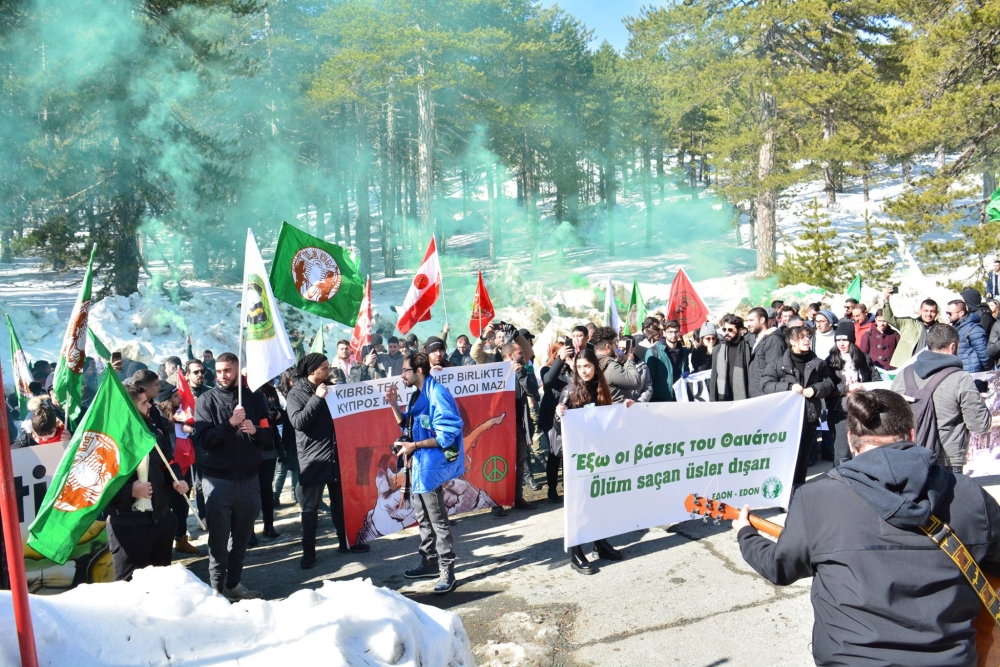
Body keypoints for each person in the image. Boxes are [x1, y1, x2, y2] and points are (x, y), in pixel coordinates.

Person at [735, 388, 1000, 667]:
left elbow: (782, 568)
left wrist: (746, 535)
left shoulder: (816, 499)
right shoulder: (970, 496)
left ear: (851, 441)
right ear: (912, 434)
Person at [384, 352, 465, 594]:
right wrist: (392, 405)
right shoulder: (418, 394)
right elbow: (408, 425)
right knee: (424, 519)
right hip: (417, 467)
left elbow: (446, 436)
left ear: (419, 371)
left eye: (405, 370)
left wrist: (415, 446)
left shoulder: (437, 394)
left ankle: (447, 569)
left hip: (429, 468)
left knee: (437, 520)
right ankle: (429, 561)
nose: (402, 375)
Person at [192, 352, 271, 601]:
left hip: (249, 479)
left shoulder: (254, 399)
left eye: (227, 370)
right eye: (218, 371)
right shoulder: (205, 401)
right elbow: (204, 441)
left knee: (242, 538)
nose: (222, 375)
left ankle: (233, 584)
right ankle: (216, 589)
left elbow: (269, 438)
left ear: (237, 370)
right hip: (218, 480)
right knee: (218, 539)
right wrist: (231, 423)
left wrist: (255, 430)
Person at [286, 353, 370, 570]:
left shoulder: (328, 387)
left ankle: (346, 542)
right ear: (312, 371)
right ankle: (309, 553)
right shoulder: (296, 393)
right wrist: (317, 398)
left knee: (340, 503)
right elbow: (298, 422)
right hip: (312, 460)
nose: (328, 369)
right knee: (310, 508)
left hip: (335, 455)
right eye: (324, 367)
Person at [105, 383, 186, 582]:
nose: (149, 406)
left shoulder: (152, 431)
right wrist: (128, 490)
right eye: (143, 403)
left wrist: (177, 480)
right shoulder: (108, 440)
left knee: (159, 584)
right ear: (129, 408)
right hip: (128, 525)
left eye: (147, 401)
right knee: (130, 588)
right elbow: (98, 483)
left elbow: (168, 462)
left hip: (161, 519)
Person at [554, 347, 623, 575]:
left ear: (595, 367)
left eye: (588, 366)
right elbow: (557, 429)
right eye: (580, 367)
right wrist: (559, 414)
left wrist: (626, 410)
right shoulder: (570, 391)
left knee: (599, 501)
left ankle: (600, 543)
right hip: (578, 458)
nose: (584, 371)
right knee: (578, 505)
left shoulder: (602, 388)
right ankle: (575, 552)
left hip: (599, 456)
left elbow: (610, 420)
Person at [890, 324, 991, 473]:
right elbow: (980, 425)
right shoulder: (961, 378)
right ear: (952, 347)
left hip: (909, 456)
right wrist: (981, 400)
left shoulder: (903, 375)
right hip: (948, 458)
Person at [760, 325, 835, 486]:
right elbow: (765, 384)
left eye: (808, 337)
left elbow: (829, 384)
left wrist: (816, 389)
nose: (807, 340)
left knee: (802, 459)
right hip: (786, 420)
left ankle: (798, 493)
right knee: (785, 459)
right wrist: (789, 387)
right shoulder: (778, 364)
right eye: (802, 338)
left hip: (809, 418)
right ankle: (783, 494)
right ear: (792, 341)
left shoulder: (817, 362)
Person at [155, 382, 199, 556]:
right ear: (166, 400)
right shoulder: (160, 419)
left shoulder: (182, 416)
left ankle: (181, 539)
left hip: (184, 468)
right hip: (166, 469)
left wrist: (191, 429)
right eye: (174, 396)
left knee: (182, 505)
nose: (179, 398)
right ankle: (164, 544)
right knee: (167, 507)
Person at [824, 321, 878, 467]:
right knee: (843, 454)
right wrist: (848, 388)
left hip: (863, 410)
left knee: (865, 451)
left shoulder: (864, 359)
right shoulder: (830, 361)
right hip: (839, 412)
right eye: (838, 340)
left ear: (852, 341)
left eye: (844, 340)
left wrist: (864, 389)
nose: (841, 344)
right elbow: (828, 387)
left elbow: (875, 381)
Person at [501, 340, 540, 511]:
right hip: (500, 428)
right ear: (510, 356)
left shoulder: (524, 372)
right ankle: (497, 502)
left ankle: (517, 497)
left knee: (519, 461)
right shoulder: (494, 372)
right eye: (520, 354)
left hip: (519, 425)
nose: (523, 356)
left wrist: (521, 374)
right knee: (500, 463)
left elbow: (533, 393)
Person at [540, 340, 573, 503]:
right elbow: (549, 380)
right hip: (551, 419)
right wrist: (559, 360)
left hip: (569, 417)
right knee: (555, 454)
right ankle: (552, 490)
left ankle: (569, 488)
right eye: (561, 352)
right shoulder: (547, 368)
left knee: (569, 454)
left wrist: (571, 364)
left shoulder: (572, 369)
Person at [882, 286, 939, 368]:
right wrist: (886, 299)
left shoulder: (939, 329)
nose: (929, 314)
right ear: (920, 311)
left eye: (932, 311)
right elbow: (889, 318)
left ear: (936, 313)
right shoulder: (908, 323)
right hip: (903, 366)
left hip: (926, 367)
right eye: (926, 311)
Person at [254, 383, 284, 541]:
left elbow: (279, 417)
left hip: (270, 447)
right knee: (251, 490)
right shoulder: (244, 391)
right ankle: (249, 531)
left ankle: (269, 525)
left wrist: (278, 415)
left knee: (266, 488)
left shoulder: (271, 390)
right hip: (251, 448)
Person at [590, 326, 642, 403]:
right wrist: (629, 360)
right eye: (615, 342)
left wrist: (618, 362)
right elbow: (635, 382)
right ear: (608, 346)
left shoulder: (589, 362)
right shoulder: (611, 367)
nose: (616, 346)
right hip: (617, 410)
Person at [271, 369, 299, 507]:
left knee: (295, 463)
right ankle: (275, 496)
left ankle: (296, 494)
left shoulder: (298, 392)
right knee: (282, 464)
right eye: (292, 379)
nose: (295, 381)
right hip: (282, 432)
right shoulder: (278, 393)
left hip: (295, 431)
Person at [710, 314, 752, 402]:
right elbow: (714, 376)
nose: (726, 333)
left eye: (730, 330)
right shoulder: (717, 349)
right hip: (723, 398)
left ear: (740, 330)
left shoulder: (748, 349)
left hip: (743, 398)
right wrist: (712, 400)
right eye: (724, 329)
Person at [645, 319, 689, 402]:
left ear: (679, 332)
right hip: (660, 400)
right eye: (670, 332)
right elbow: (648, 380)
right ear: (664, 333)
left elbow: (686, 370)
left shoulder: (684, 352)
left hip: (680, 398)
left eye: (676, 331)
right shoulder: (653, 352)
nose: (673, 335)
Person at [746, 307, 786, 398]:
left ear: (762, 320)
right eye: (747, 321)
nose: (748, 324)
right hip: (755, 394)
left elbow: (775, 372)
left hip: (765, 396)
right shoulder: (753, 341)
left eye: (751, 320)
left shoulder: (773, 341)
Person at [945, 299, 991, 372]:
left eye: (950, 313)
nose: (947, 316)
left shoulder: (974, 329)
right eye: (946, 313)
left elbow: (984, 355)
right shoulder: (955, 328)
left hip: (973, 374)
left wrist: (987, 371)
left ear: (961, 313)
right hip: (959, 372)